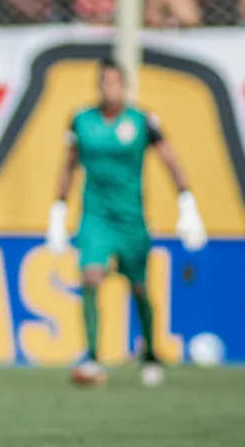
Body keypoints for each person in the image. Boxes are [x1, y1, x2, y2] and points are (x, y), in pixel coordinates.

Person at [46, 58, 207, 388]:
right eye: (105, 82)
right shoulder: (81, 120)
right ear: (98, 85)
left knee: (138, 287)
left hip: (132, 218)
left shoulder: (143, 121)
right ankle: (92, 356)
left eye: (116, 82)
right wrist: (58, 211)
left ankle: (150, 352)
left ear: (125, 86)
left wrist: (187, 203)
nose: (110, 88)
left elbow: (170, 160)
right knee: (91, 275)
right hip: (96, 216)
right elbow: (69, 166)